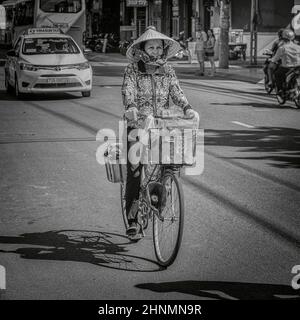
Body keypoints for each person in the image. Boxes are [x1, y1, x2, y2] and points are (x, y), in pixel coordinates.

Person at [122, 26, 198, 239]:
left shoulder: (168, 69)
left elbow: (176, 91)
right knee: (135, 172)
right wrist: (130, 107)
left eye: (158, 47)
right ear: (142, 48)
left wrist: (187, 107)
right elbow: (128, 90)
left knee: (170, 165)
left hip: (163, 124)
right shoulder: (133, 69)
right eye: (151, 47)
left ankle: (159, 199)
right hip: (138, 124)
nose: (155, 50)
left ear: (163, 49)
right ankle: (133, 220)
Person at [270, 29, 300, 93]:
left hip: (287, 67)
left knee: (277, 74)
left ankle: (280, 90)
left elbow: (275, 58)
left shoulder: (282, 48)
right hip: (298, 67)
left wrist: (272, 61)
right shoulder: (298, 47)